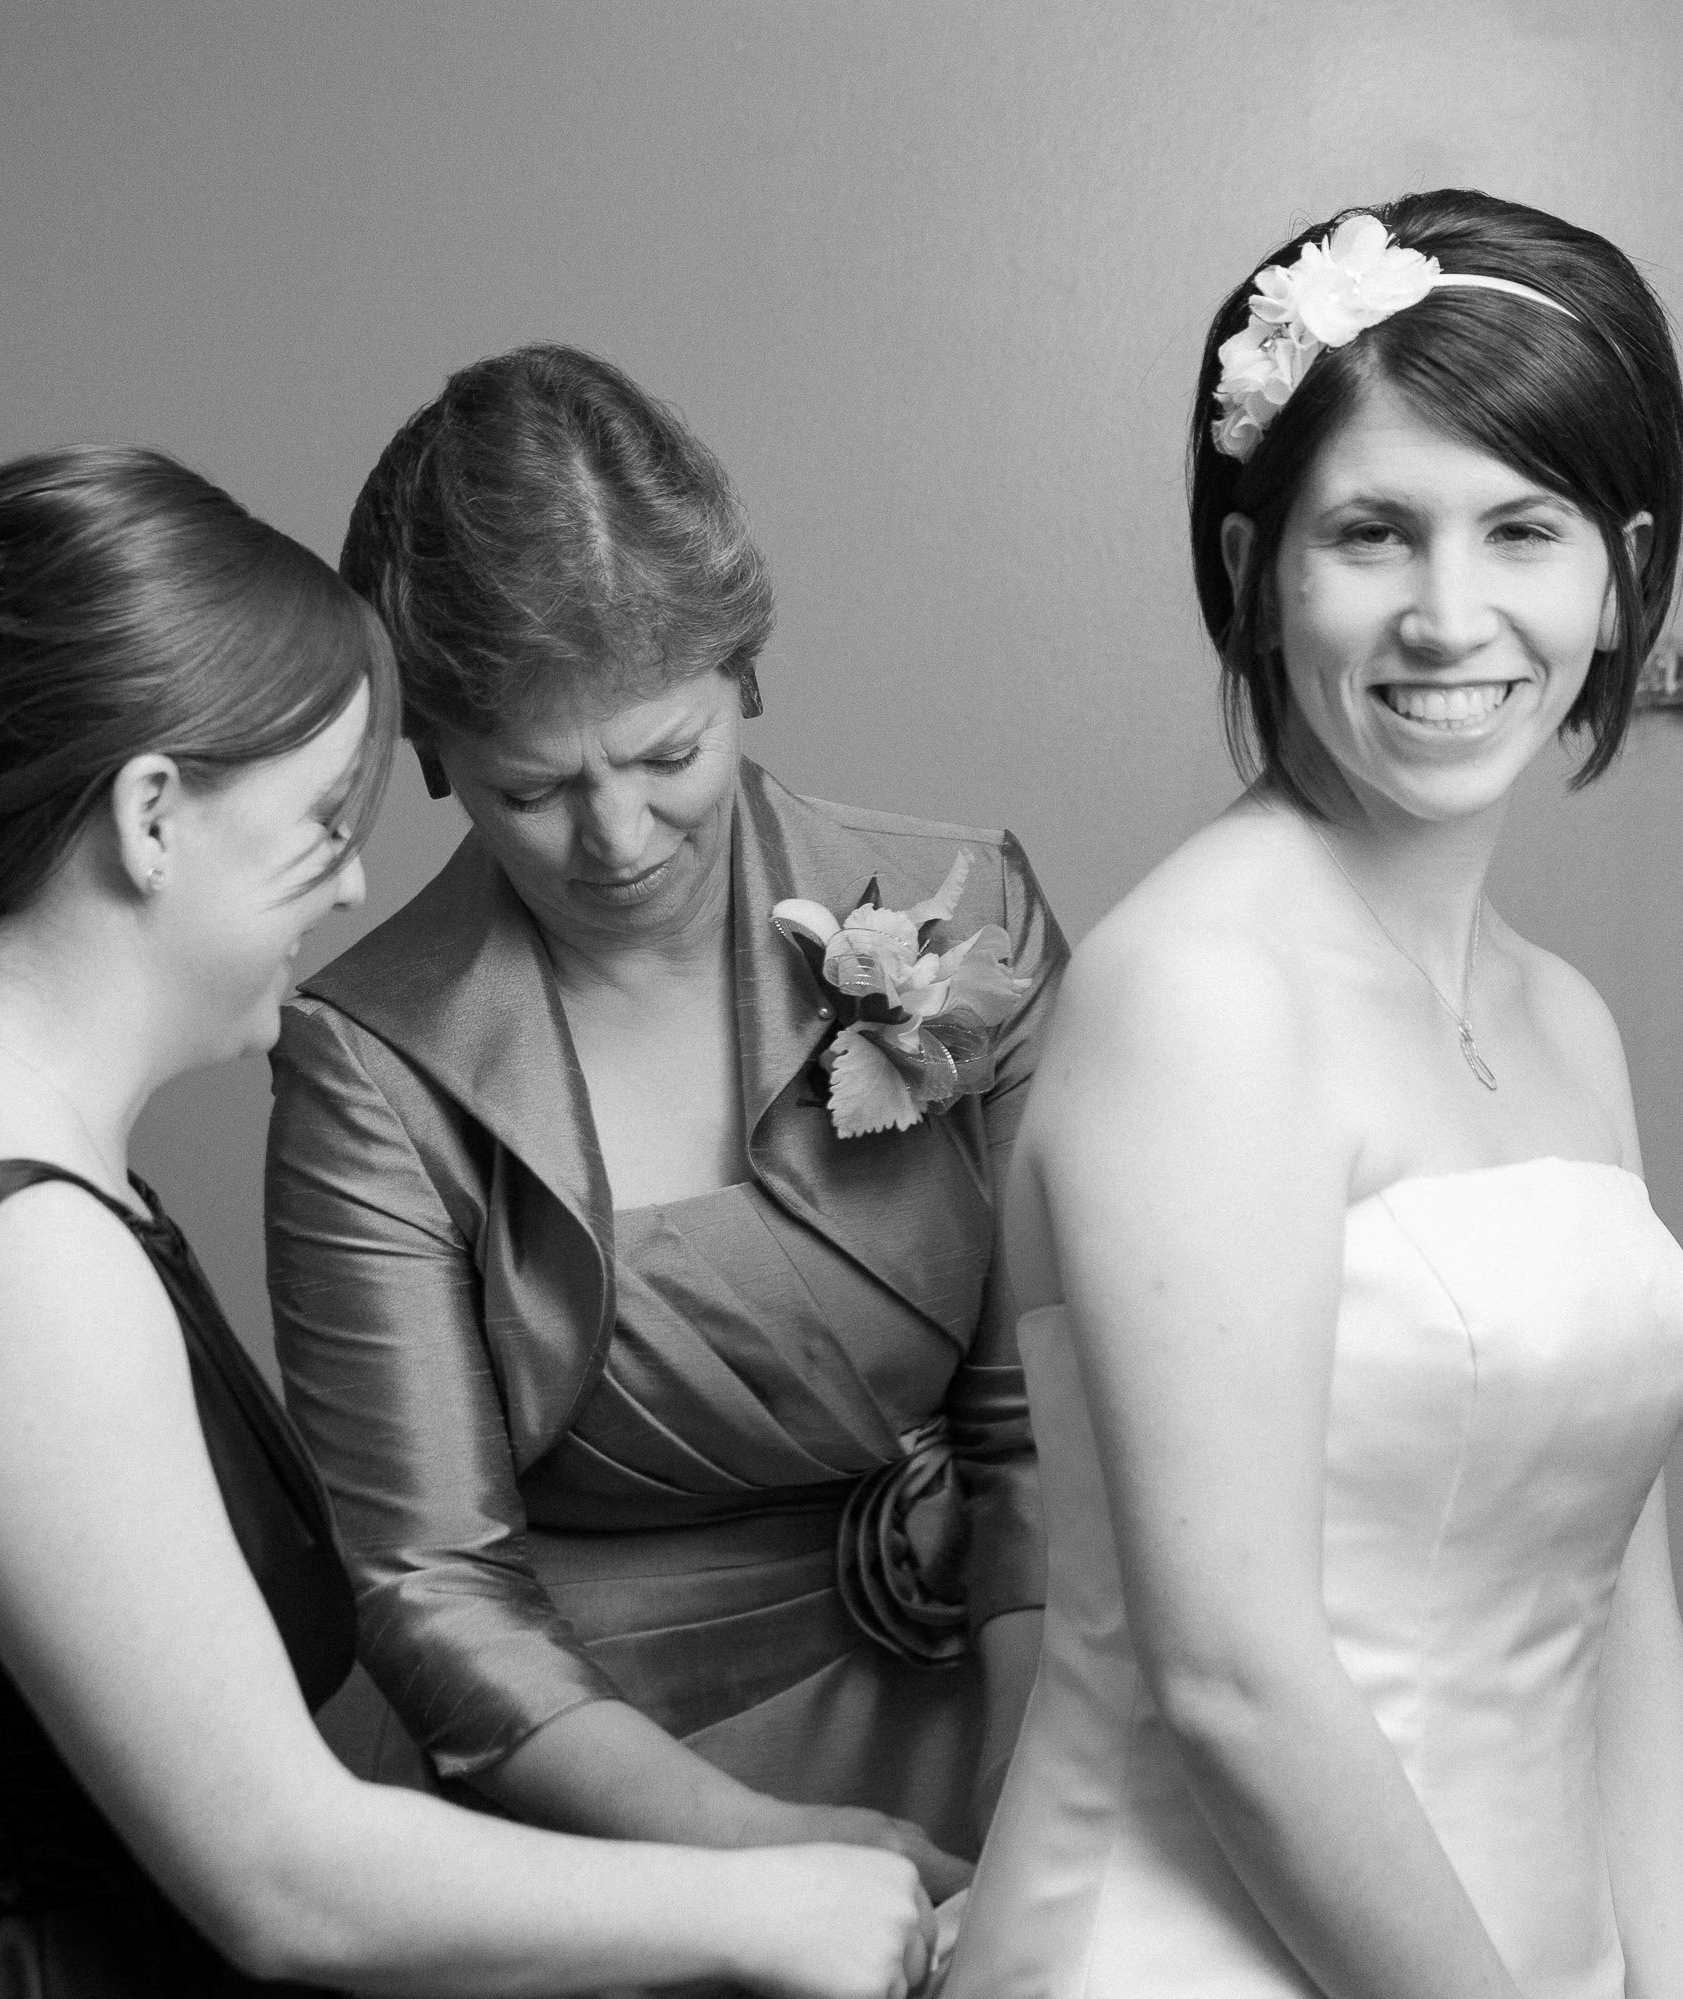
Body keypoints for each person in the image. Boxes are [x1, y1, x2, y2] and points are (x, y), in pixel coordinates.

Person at [0, 444, 931, 1999]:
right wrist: (774, 1910)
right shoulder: (13, 1257)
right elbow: (286, 1880)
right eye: (313, 820)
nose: (354, 886)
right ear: (152, 815)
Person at [947, 192, 1683, 1999]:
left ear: (1616, 573)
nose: (1452, 619)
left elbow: (1622, 1620)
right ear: (1250, 565)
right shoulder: (1200, 999)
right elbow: (1233, 1683)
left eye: (1521, 532)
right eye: (1374, 533)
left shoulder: (1570, 1027)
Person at [264, 345, 1065, 1911]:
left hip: (996, 1723)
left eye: (666, 757)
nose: (616, 838)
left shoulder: (966, 915)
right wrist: (765, 1866)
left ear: (744, 673)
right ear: (430, 760)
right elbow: (430, 1587)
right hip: (600, 1812)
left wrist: (1027, 1832)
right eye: (530, 789)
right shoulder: (367, 1062)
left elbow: (1046, 1443)